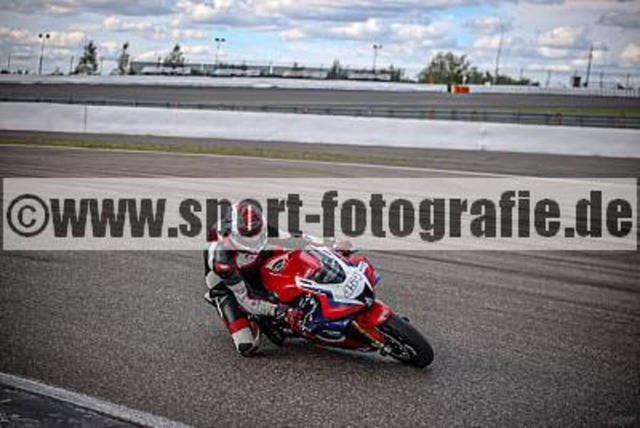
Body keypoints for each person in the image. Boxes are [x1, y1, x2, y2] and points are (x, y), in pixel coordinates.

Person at [203, 200, 354, 356]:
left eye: (256, 232)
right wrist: (279, 311)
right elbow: (245, 298)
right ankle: (232, 307)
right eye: (248, 236)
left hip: (256, 262)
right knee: (247, 346)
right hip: (229, 284)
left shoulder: (262, 228)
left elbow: (297, 238)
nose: (254, 239)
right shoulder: (222, 259)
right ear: (234, 233)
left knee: (292, 253)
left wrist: (333, 245)